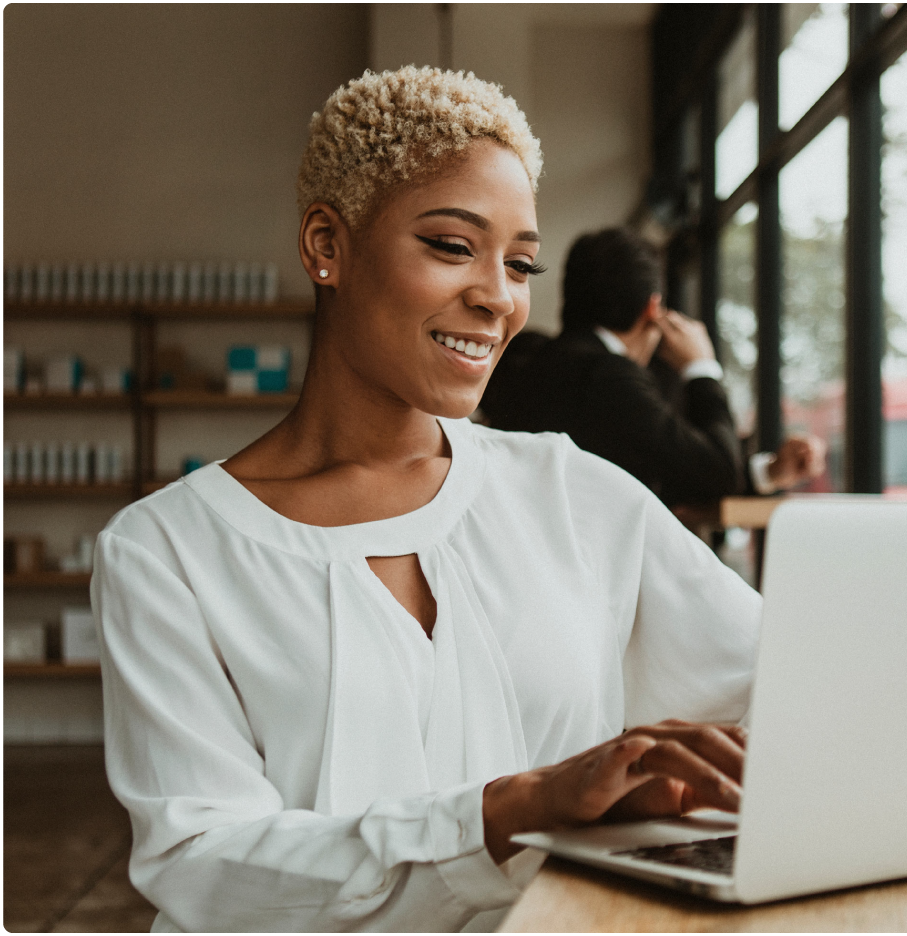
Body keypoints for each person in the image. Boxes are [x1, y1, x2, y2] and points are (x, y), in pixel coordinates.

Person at [91, 67, 761, 933]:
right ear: (326, 245)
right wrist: (504, 811)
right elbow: (205, 867)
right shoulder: (166, 551)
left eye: (521, 263)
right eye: (452, 246)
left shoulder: (573, 493)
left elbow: (780, 688)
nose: (498, 297)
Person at [481, 228, 826, 508]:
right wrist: (701, 368)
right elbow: (717, 470)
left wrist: (769, 473)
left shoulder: (522, 359)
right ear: (653, 307)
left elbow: (670, 469)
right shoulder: (610, 376)